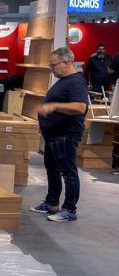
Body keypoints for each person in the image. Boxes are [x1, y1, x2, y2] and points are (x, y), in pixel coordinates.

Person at [29, 47, 89, 222]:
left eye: (53, 65)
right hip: (54, 135)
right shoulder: (65, 80)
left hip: (65, 135)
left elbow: (80, 107)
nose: (52, 69)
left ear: (66, 63)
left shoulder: (76, 82)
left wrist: (54, 106)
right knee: (52, 169)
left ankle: (69, 210)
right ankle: (52, 203)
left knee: (68, 172)